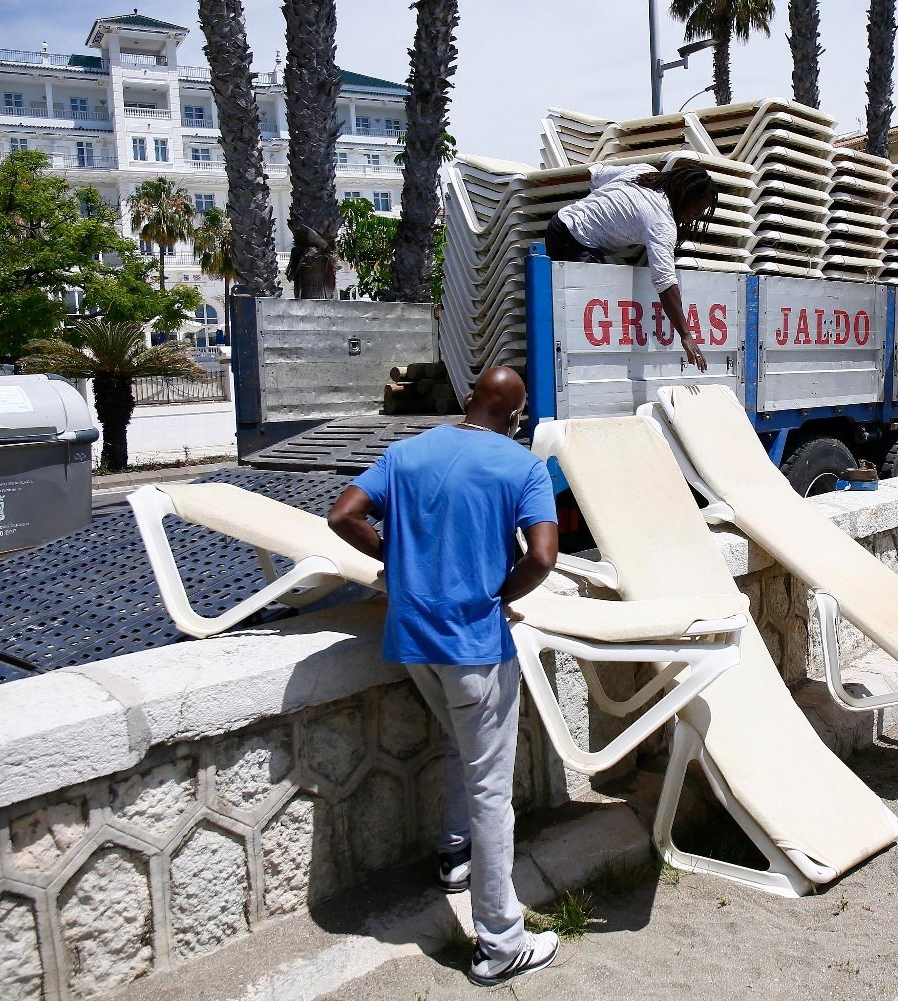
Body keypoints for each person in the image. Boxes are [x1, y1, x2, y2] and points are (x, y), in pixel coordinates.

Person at [327, 367, 561, 988]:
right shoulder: (522, 467)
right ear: (515, 418)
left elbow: (343, 514)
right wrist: (497, 595)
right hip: (474, 646)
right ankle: (500, 942)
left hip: (413, 641)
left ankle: (455, 855)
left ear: (466, 400)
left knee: (461, 747)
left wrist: (394, 557)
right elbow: (542, 557)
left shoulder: (405, 453)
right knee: (491, 786)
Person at [546, 161, 719, 372]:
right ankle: (545, 377)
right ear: (687, 196)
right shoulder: (660, 221)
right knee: (578, 316)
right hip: (576, 239)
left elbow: (597, 175)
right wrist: (685, 334)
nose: (698, 215)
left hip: (561, 221)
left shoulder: (644, 171)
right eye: (699, 209)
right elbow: (665, 283)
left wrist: (607, 211)